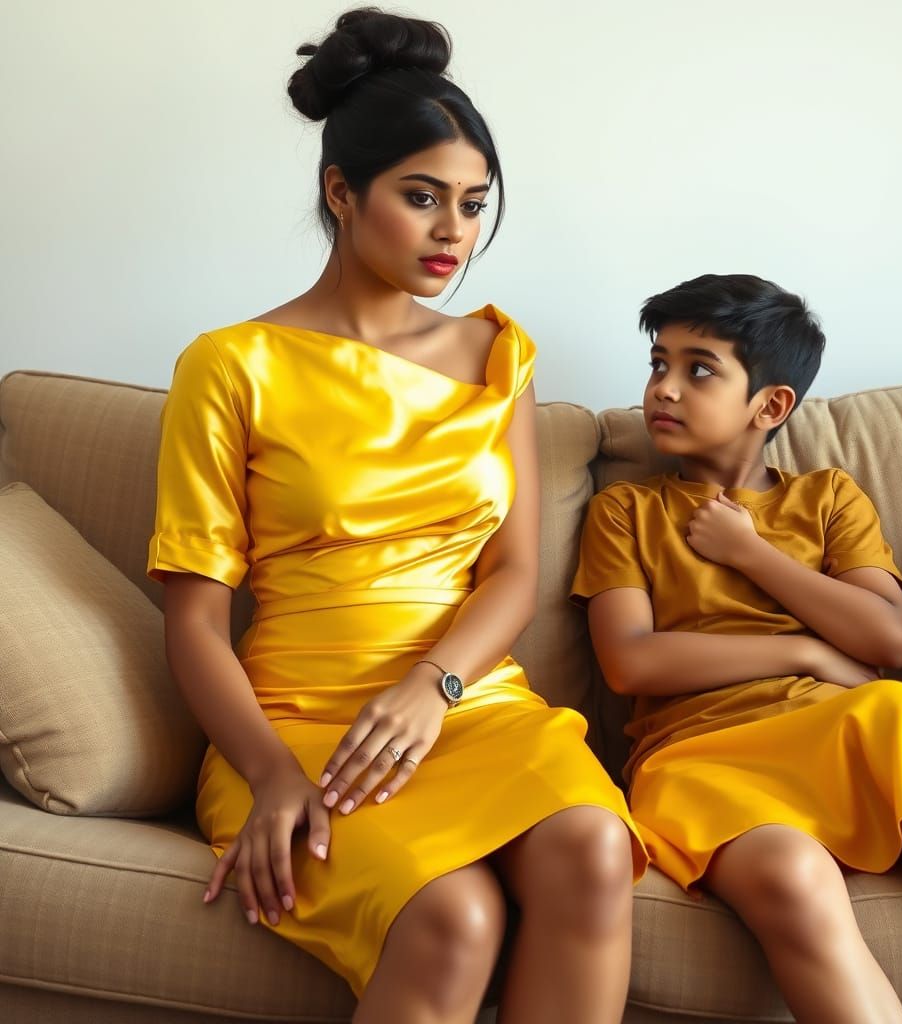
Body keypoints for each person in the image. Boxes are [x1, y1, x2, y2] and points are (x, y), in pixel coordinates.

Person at [147, 9, 645, 1023]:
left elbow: (511, 572)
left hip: (466, 705)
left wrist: (435, 684)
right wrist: (271, 773)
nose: (453, 232)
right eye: (422, 198)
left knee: (593, 844)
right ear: (341, 192)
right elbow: (194, 620)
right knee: (452, 916)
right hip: (294, 721)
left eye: (471, 203)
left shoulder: (497, 354)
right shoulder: (230, 364)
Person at [571, 272, 902, 1022]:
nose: (665, 389)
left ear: (771, 405)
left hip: (841, 732)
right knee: (786, 875)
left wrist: (752, 554)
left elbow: (886, 637)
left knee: (897, 711)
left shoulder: (827, 498)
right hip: (697, 755)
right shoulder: (627, 509)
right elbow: (631, 661)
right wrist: (805, 654)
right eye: (658, 364)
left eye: (699, 369)